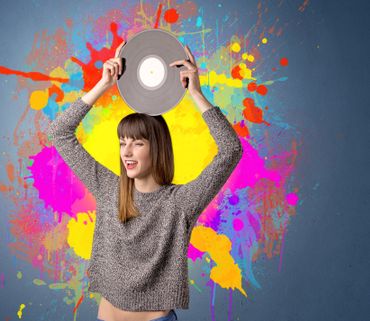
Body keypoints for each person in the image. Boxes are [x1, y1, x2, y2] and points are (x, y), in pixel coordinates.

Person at [46, 40, 243, 321]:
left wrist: (196, 94)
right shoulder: (108, 188)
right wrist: (103, 85)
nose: (126, 151)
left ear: (157, 148)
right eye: (122, 142)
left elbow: (231, 150)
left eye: (137, 143)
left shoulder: (180, 203)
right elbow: (59, 132)